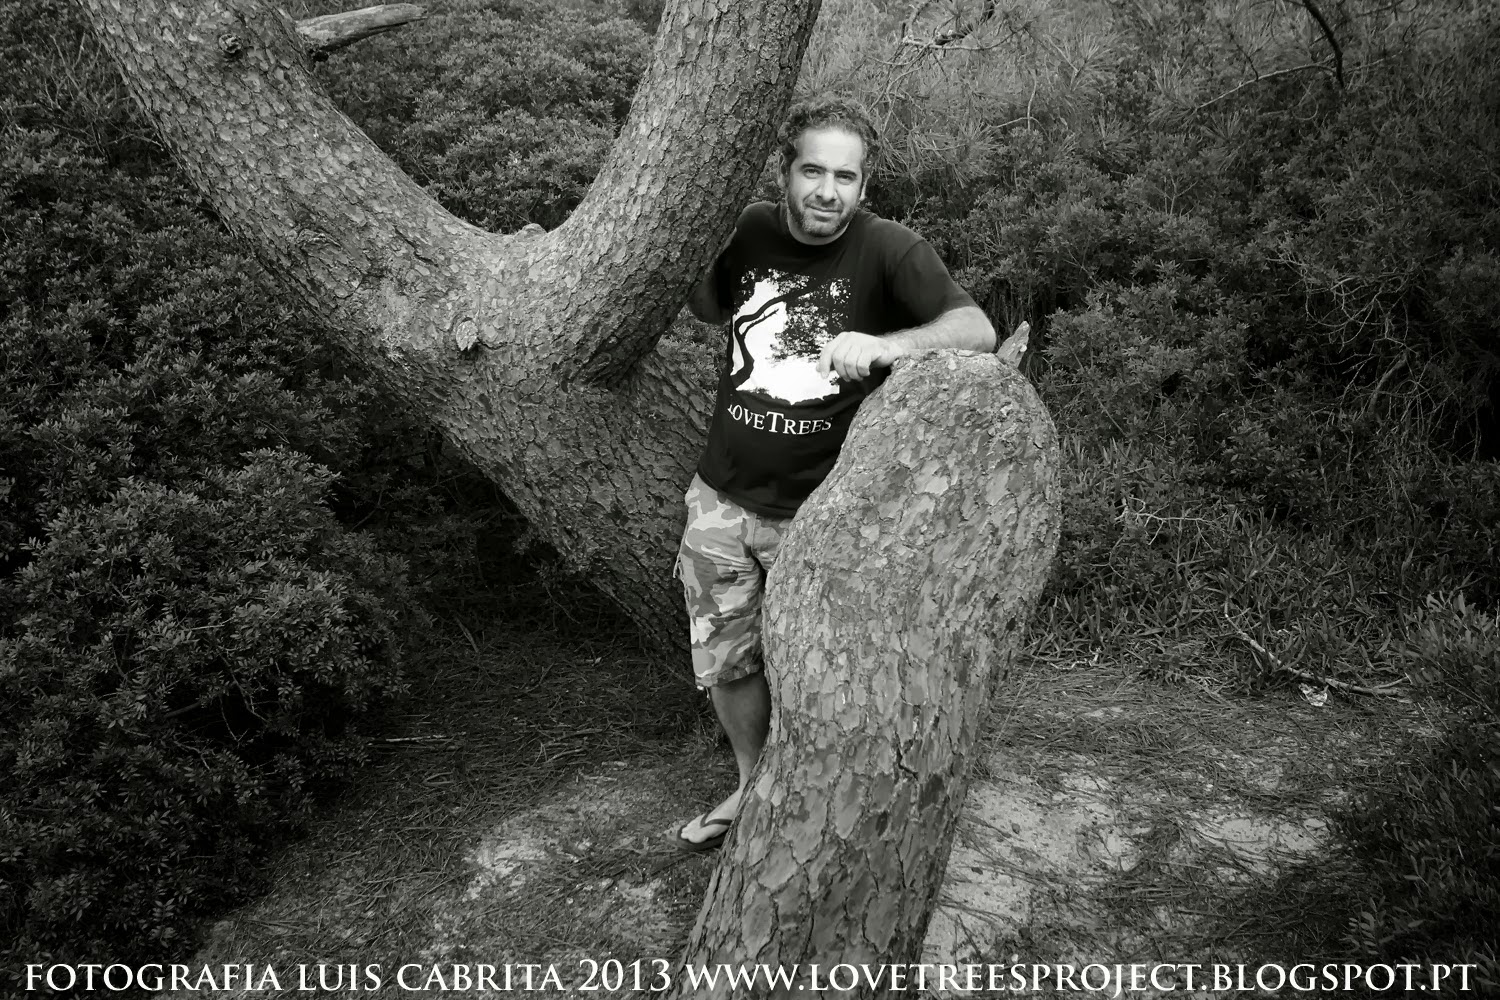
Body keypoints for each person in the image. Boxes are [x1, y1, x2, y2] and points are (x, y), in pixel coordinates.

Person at [674, 96, 996, 851]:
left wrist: (889, 346)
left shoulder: (889, 249)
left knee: (829, 669)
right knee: (727, 658)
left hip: (823, 516)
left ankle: (818, 800)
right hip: (720, 499)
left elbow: (976, 329)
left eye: (844, 177)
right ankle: (752, 785)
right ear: (785, 172)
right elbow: (702, 302)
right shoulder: (750, 228)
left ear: (865, 184)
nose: (827, 191)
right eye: (812, 171)